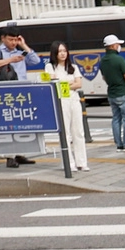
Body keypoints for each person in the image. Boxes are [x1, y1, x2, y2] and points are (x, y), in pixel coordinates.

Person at [0, 32, 44, 168]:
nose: (13, 43)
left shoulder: (20, 51)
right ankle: (10, 157)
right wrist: (10, 60)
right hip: (6, 91)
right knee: (9, 123)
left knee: (21, 122)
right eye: (10, 39)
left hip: (22, 91)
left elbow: (35, 61)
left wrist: (24, 45)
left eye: (15, 40)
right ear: (3, 38)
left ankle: (20, 154)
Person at [45, 42, 89, 172]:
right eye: (60, 51)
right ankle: (69, 163)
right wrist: (69, 82)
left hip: (74, 99)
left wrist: (63, 83)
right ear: (55, 53)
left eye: (64, 51)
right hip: (61, 101)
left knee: (79, 132)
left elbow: (78, 84)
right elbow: (53, 83)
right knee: (66, 133)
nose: (63, 53)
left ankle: (82, 162)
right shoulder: (50, 67)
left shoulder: (73, 67)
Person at [97, 35, 125, 153]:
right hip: (122, 92)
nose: (119, 46)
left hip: (111, 93)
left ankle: (119, 144)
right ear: (112, 45)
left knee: (116, 118)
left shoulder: (102, 61)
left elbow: (105, 77)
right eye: (117, 44)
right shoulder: (119, 60)